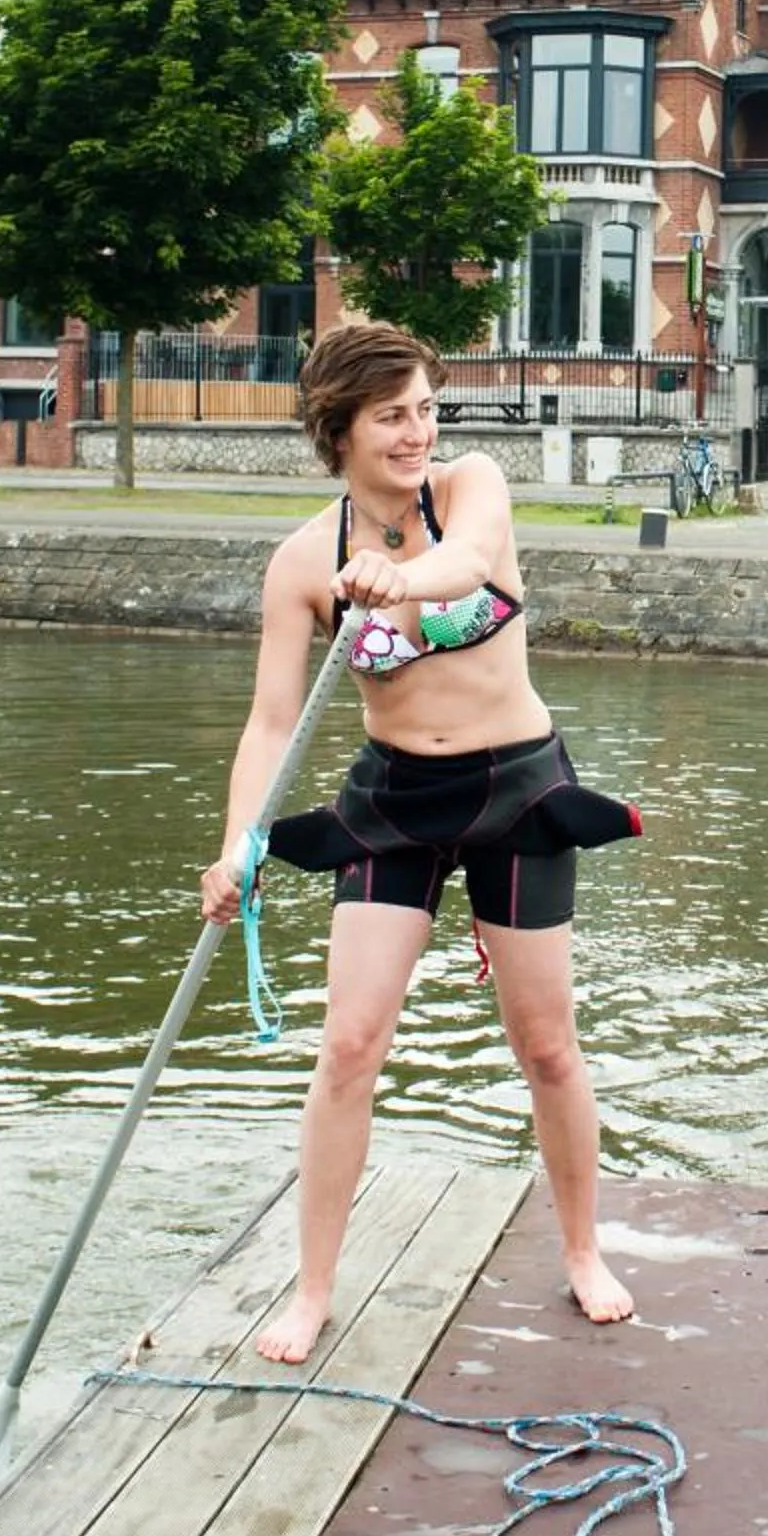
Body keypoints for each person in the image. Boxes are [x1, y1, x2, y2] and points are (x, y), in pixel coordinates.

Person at [201, 319, 640, 1359]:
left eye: (425, 410)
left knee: (545, 1046)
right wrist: (237, 848)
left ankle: (581, 1250)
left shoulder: (474, 484)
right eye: (392, 416)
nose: (416, 433)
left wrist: (407, 579)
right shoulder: (303, 562)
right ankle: (312, 1291)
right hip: (395, 798)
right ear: (338, 429)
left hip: (516, 786)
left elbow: (470, 560)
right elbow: (270, 724)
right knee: (349, 1045)